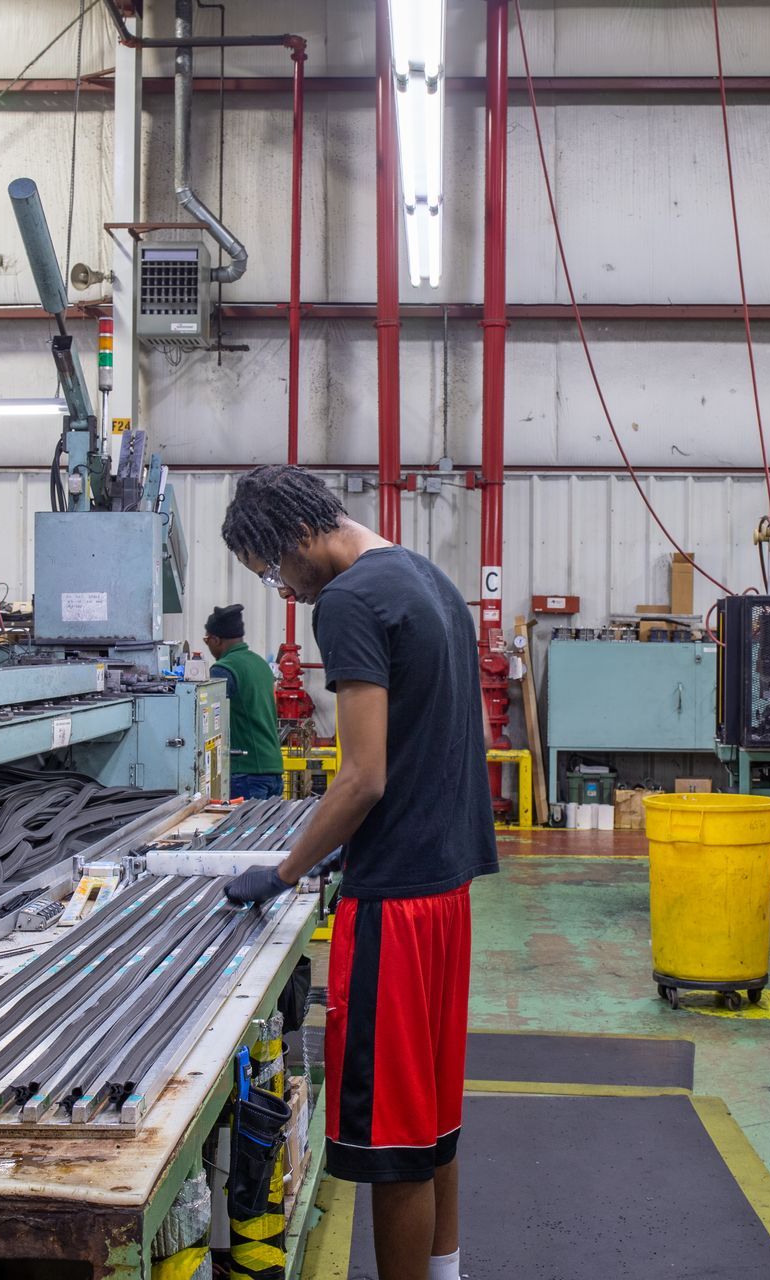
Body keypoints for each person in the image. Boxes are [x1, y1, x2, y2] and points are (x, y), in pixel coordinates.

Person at [218, 465, 496, 1280]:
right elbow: (424, 746)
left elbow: (362, 776)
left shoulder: (347, 602)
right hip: (446, 889)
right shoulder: (427, 579)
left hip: (397, 907)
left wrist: (285, 867)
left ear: (297, 539)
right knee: (432, 1119)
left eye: (273, 571)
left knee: (389, 1145)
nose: (284, 591)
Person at [204, 603, 285, 801]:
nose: (208, 645)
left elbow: (210, 722)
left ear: (216, 639)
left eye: (207, 640)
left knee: (242, 832)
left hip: (246, 772)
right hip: (273, 769)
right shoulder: (260, 664)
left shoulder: (224, 668)